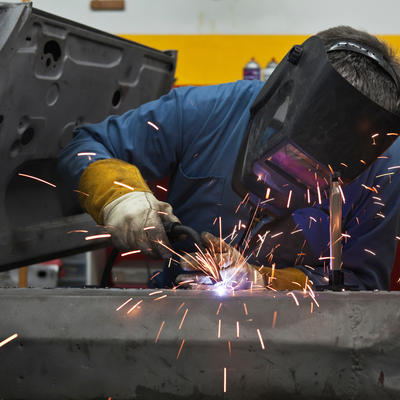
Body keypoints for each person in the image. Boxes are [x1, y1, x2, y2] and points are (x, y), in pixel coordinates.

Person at [58, 26, 400, 291]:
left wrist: (264, 281)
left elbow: (362, 285)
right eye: (293, 155)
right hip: (172, 313)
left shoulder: (384, 167)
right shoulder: (206, 111)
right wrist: (120, 197)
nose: (294, 177)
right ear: (286, 95)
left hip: (293, 337)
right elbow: (87, 145)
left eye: (318, 173)